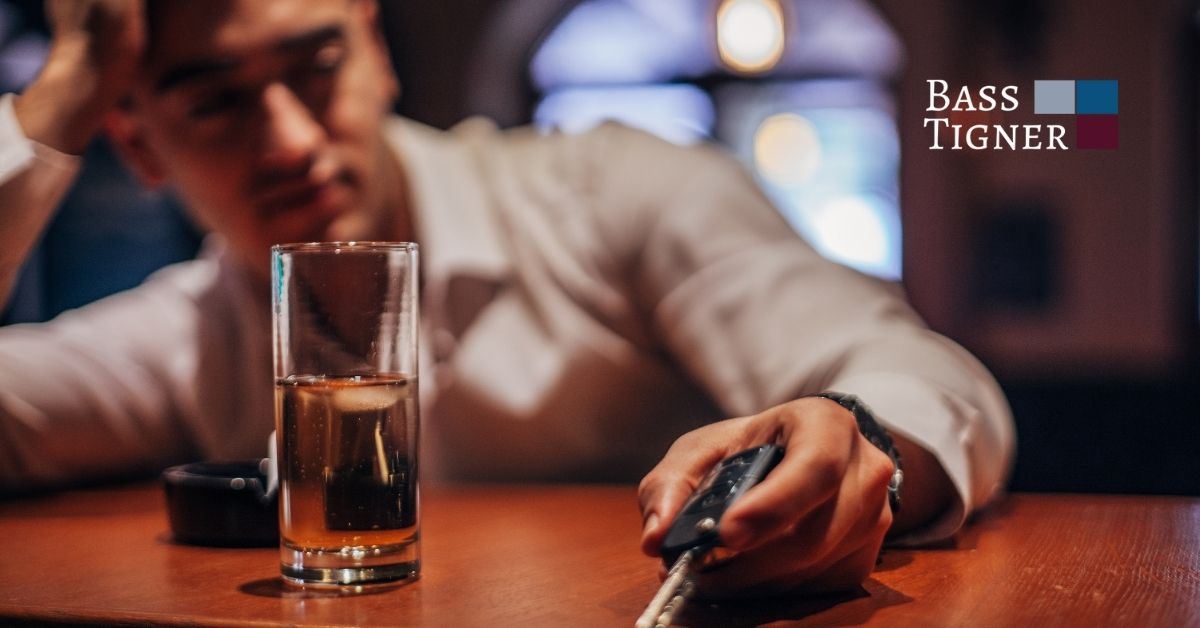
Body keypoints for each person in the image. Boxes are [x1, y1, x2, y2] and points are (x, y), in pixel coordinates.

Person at [0, 0, 1013, 597]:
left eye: (316, 67)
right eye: (215, 101)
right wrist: (54, 102)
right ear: (130, 139)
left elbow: (919, 369)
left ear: (376, 47)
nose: (293, 143)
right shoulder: (181, 332)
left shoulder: (614, 191)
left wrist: (856, 439)